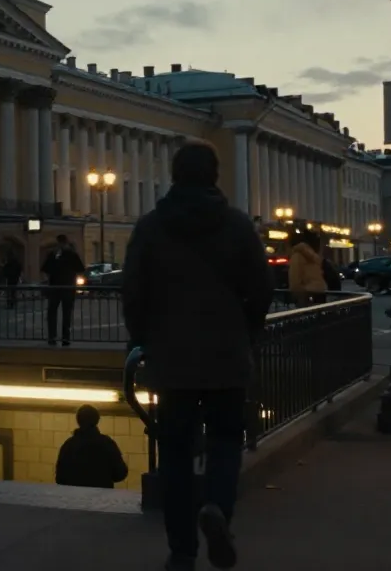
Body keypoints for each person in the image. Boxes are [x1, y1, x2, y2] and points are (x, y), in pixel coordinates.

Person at [123, 142, 272, 570]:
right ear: (214, 175)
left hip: (170, 358)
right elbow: (261, 289)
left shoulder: (151, 227)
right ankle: (217, 509)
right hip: (227, 352)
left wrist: (143, 339)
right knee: (226, 441)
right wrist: (246, 330)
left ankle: (182, 550)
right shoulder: (237, 226)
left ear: (174, 175)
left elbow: (133, 292)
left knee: (174, 454)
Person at [54, 404, 129, 490]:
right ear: (97, 420)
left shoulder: (69, 445)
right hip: (102, 495)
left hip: (74, 496)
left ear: (78, 421)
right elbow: (120, 473)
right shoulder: (107, 443)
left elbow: (60, 478)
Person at [40, 235, 84, 346]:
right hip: (68, 287)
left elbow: (45, 269)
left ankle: (52, 337)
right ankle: (65, 338)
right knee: (66, 314)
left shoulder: (54, 254)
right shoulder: (71, 254)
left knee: (52, 312)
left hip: (55, 287)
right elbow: (80, 269)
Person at [288, 231, 327, 307]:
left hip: (306, 293)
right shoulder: (313, 255)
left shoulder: (297, 256)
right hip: (320, 290)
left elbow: (295, 278)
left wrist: (296, 294)